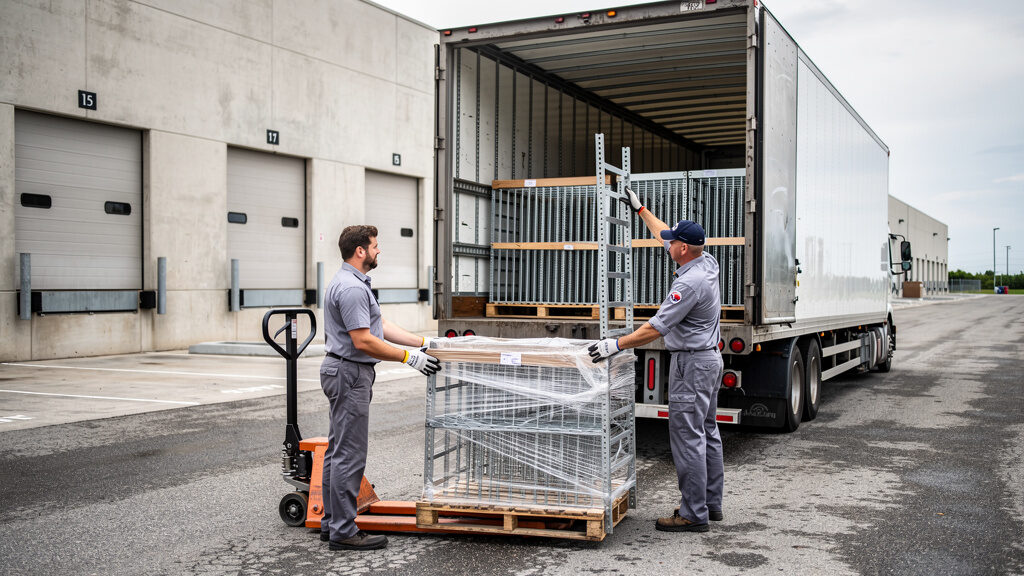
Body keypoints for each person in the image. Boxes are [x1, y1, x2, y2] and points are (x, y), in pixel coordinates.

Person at [588, 187, 724, 533]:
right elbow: (662, 232)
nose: (667, 244)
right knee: (707, 431)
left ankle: (693, 514)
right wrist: (641, 209)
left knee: (688, 438)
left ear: (683, 249)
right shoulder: (706, 261)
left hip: (691, 366)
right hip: (709, 360)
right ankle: (710, 503)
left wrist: (615, 344)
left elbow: (655, 328)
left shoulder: (689, 284)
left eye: (672, 242)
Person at [319, 225, 441, 551]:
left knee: (337, 450)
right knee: (349, 454)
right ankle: (343, 531)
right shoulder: (352, 288)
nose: (378, 251)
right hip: (350, 373)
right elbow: (364, 340)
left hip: (343, 371)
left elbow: (379, 326)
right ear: (360, 251)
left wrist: (423, 342)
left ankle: (332, 523)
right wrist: (408, 358)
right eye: (375, 246)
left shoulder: (351, 282)